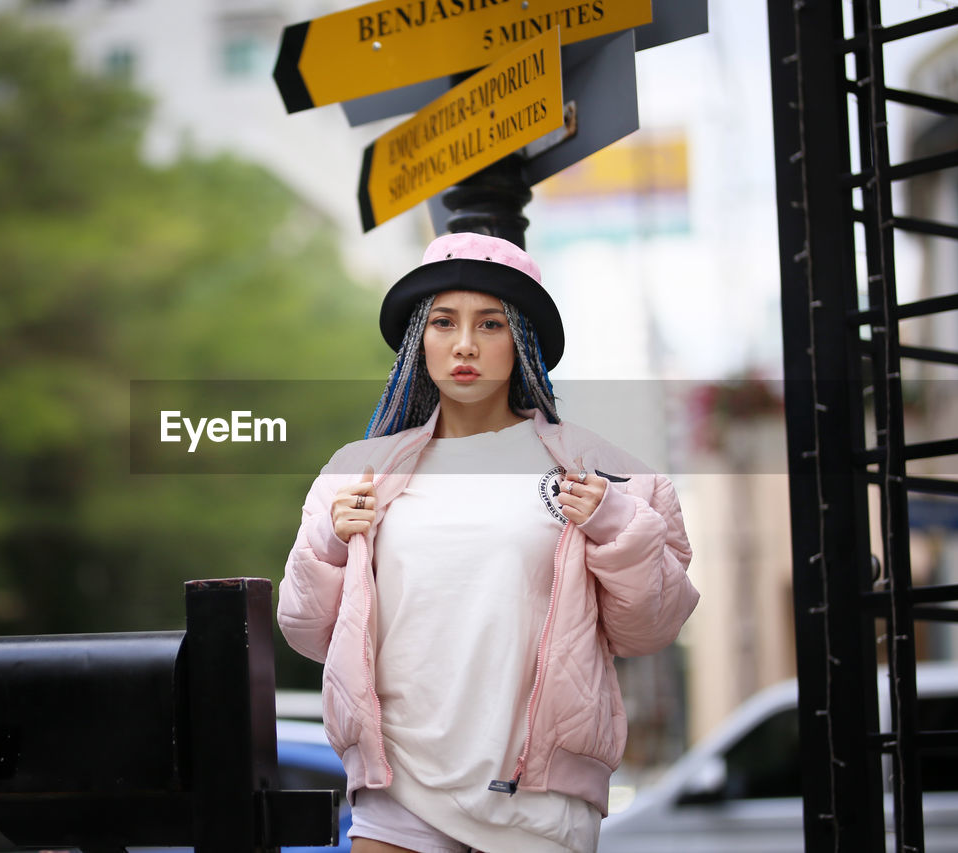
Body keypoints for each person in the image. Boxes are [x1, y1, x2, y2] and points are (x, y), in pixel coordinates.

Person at [278, 232, 699, 853]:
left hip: (540, 800)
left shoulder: (605, 473)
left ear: (522, 339)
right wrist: (330, 541)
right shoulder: (358, 471)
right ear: (420, 338)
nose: (465, 345)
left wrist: (614, 525)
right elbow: (305, 632)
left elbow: (651, 629)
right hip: (398, 788)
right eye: (444, 323)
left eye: (491, 324)